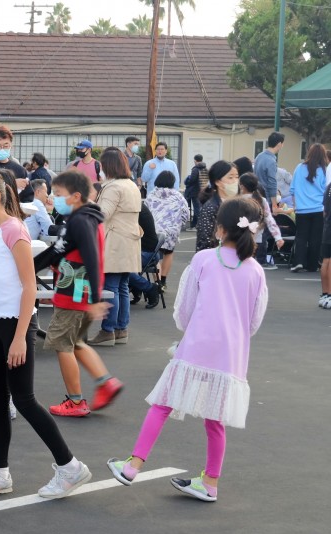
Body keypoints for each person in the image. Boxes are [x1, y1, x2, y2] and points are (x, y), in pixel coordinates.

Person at [107, 198, 268, 502]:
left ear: (221, 229)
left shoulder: (205, 259)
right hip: (231, 355)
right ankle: (210, 482)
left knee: (162, 404)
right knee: (215, 420)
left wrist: (189, 329)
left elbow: (185, 308)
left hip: (197, 346)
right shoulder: (256, 271)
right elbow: (254, 321)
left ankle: (132, 465)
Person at [0, 169, 91, 501]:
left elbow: (29, 285)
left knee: (24, 399)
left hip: (16, 324)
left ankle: (70, 466)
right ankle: (0, 474)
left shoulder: (13, 229)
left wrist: (20, 336)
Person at [38, 170, 123, 418]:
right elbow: (57, 252)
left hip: (74, 294)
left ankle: (75, 401)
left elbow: (91, 257)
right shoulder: (86, 218)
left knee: (62, 344)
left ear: (75, 196)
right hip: (79, 292)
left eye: (58, 194)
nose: (54, 198)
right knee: (75, 342)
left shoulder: (80, 221)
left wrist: (95, 299)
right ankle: (106, 382)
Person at [88, 147, 142, 347]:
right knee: (122, 287)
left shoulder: (113, 187)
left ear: (107, 166)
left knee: (111, 287)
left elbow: (102, 214)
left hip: (115, 241)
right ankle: (121, 329)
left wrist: (86, 205)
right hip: (130, 240)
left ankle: (107, 330)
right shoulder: (131, 184)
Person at [145, 170, 191, 291]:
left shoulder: (151, 196)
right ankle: (163, 280)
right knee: (168, 253)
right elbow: (186, 214)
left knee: (155, 256)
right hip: (171, 231)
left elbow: (145, 213)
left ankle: (157, 282)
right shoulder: (178, 196)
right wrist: (178, 224)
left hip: (154, 230)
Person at [288, 144, 328, 272]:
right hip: (319, 209)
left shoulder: (299, 168)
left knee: (301, 236)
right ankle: (312, 265)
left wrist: (295, 206)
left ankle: (298, 262)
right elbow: (327, 191)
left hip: (302, 209)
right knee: (316, 238)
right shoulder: (324, 170)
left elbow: (292, 190)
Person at [238, 173, 284, 267]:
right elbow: (269, 219)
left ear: (241, 186)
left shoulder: (237, 200)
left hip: (238, 237)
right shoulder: (261, 200)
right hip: (256, 237)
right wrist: (278, 237)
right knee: (251, 265)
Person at [196, 161, 240, 251]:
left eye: (237, 177)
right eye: (230, 177)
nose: (235, 181)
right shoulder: (210, 208)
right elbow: (204, 241)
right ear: (218, 182)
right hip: (218, 256)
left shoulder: (241, 204)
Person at [128, 200, 161, 309]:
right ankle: (136, 287)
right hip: (144, 250)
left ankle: (149, 288)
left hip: (147, 253)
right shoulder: (137, 206)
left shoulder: (134, 210)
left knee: (121, 268)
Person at [254, 132, 284, 215]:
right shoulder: (271, 161)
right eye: (282, 144)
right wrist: (274, 205)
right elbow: (272, 183)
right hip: (266, 199)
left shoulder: (259, 156)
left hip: (256, 196)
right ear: (279, 144)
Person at [184, 154, 208, 228]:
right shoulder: (205, 169)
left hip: (194, 192)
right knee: (198, 207)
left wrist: (187, 180)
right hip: (202, 191)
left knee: (196, 208)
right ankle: (194, 224)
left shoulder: (195, 169)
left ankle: (201, 224)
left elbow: (192, 180)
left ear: (195, 160)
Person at [320, 181, 331, 309]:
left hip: (327, 228)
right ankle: (330, 295)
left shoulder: (329, 187)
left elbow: (324, 211)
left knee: (326, 260)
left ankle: (325, 295)